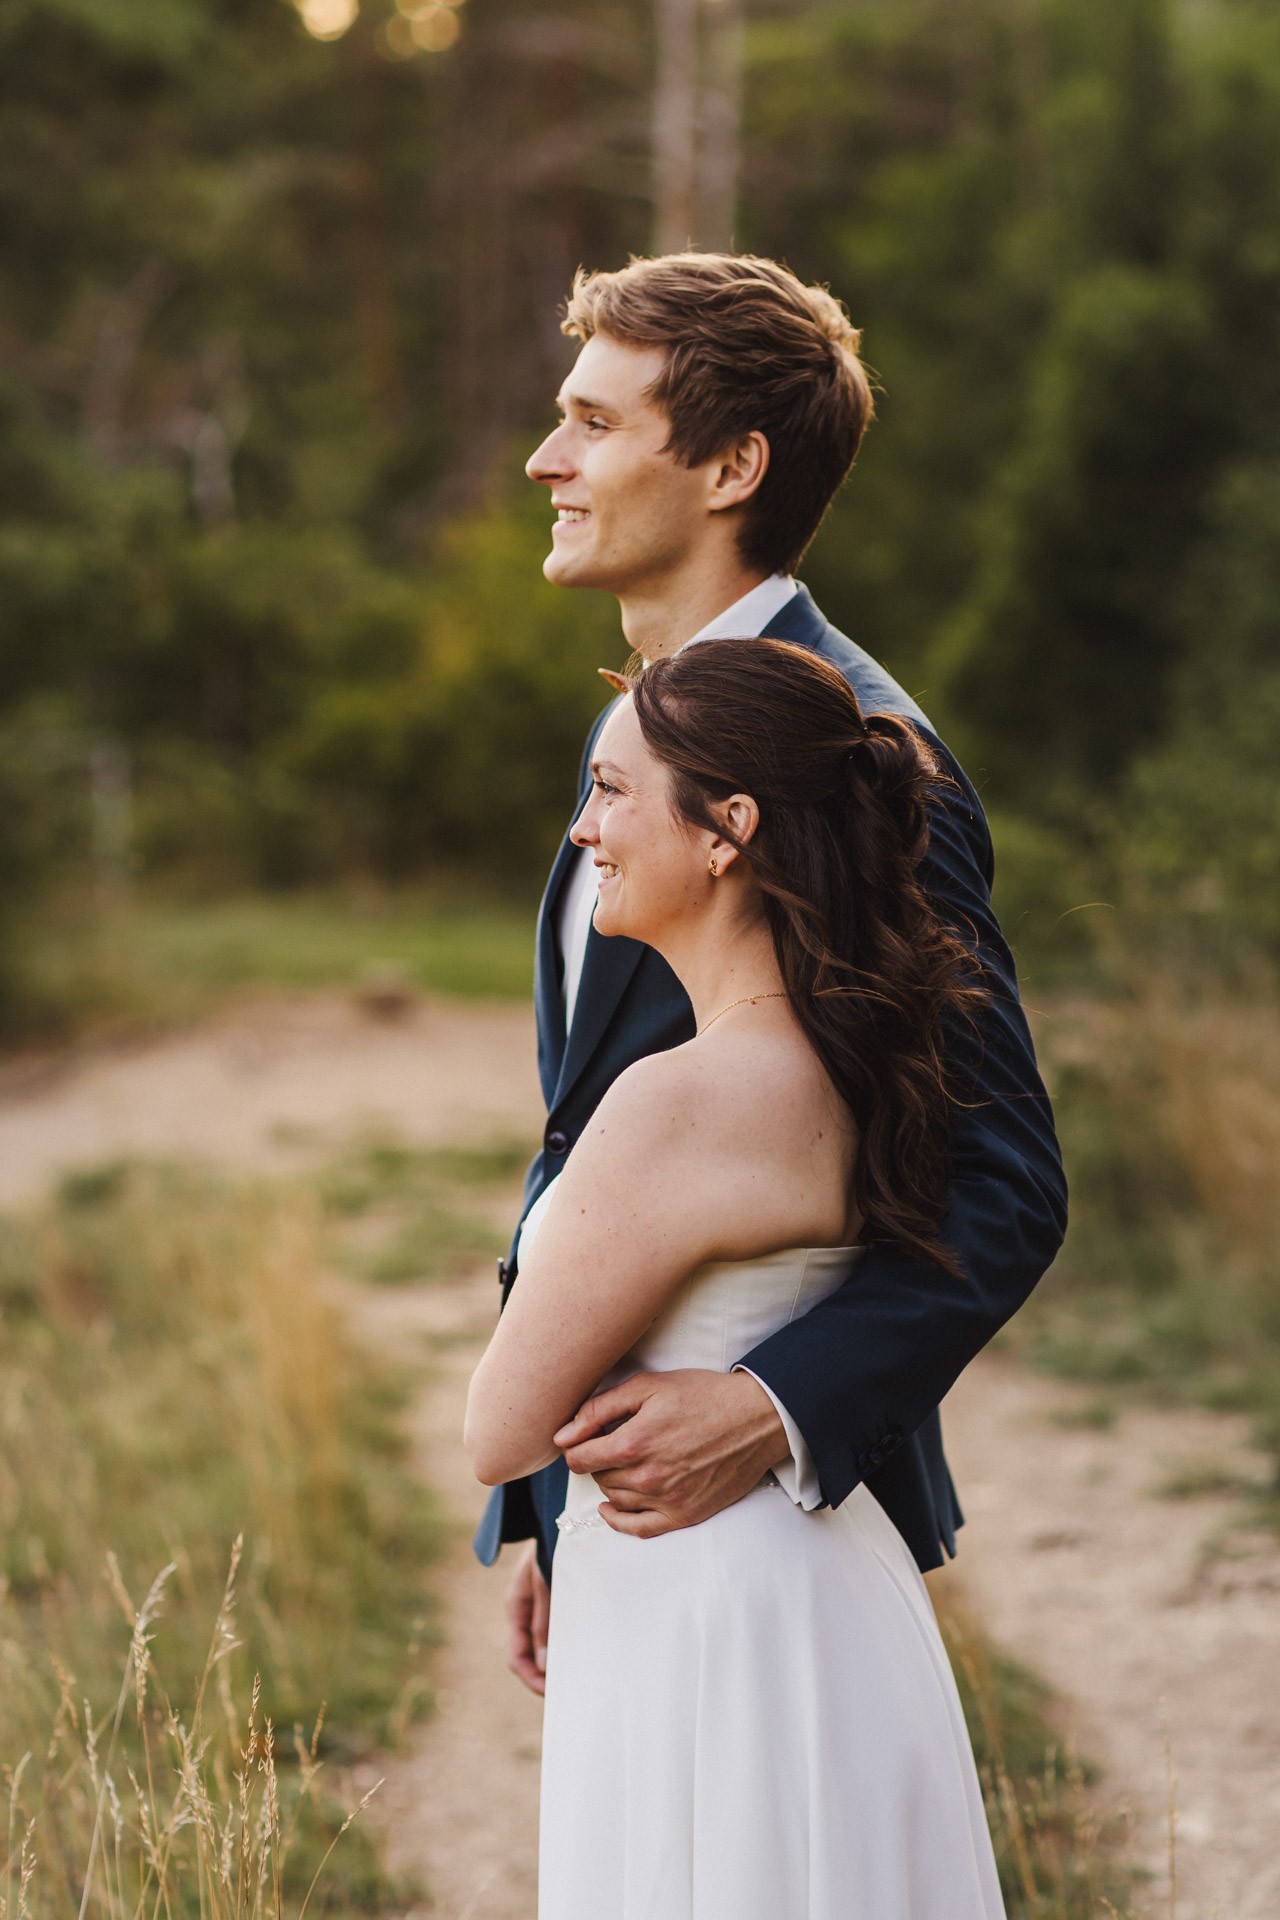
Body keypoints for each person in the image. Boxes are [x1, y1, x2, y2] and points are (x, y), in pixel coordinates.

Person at [471, 252, 1066, 1703]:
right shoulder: (663, 730)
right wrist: (550, 1505)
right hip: (630, 1525)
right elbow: (597, 1149)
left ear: (733, 464)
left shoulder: (862, 763)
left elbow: (1005, 1184)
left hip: (760, 1532)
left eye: (596, 424)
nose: (548, 459)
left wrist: (769, 1406)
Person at [466, 637, 1007, 1916]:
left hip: (701, 1613)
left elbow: (496, 1428)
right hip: (822, 1587)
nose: (583, 827)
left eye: (609, 792)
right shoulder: (853, 1061)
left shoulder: (674, 1101)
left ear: (727, 831)